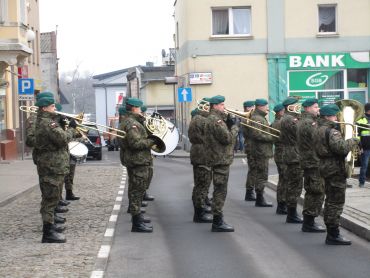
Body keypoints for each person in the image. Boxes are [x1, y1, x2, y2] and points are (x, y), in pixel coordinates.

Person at [315, 104, 359, 245]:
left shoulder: (317, 129)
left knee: (330, 201)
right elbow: (341, 148)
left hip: (325, 167)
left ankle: (332, 232)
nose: (336, 118)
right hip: (335, 169)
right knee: (336, 202)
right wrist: (353, 140)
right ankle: (333, 235)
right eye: (334, 116)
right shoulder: (332, 131)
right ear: (328, 116)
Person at [34, 92, 71, 243]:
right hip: (51, 165)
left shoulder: (48, 122)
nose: (55, 108)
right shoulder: (47, 123)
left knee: (52, 198)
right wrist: (71, 129)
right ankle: (48, 233)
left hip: (52, 165)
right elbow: (62, 139)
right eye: (52, 106)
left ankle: (50, 227)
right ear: (44, 108)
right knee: (50, 199)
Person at [120, 97, 156, 233]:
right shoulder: (131, 124)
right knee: (136, 191)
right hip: (137, 160)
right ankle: (136, 223)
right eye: (140, 108)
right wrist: (152, 140)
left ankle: (138, 218)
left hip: (138, 160)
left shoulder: (133, 121)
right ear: (134, 108)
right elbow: (135, 144)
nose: (141, 110)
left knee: (138, 190)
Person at [204, 95, 238, 232]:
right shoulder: (216, 120)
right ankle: (218, 221)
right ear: (215, 106)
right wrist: (234, 127)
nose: (224, 107)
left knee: (219, 189)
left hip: (218, 158)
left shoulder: (214, 119)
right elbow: (227, 138)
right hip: (220, 159)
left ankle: (218, 219)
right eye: (222, 105)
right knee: (220, 190)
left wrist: (227, 122)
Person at [297, 98, 326, 233]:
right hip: (313, 161)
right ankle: (309, 222)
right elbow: (320, 139)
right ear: (307, 108)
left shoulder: (305, 121)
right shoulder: (309, 123)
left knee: (312, 191)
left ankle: (308, 221)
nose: (318, 109)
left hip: (309, 161)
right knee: (317, 192)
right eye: (315, 107)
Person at [280, 97, 303, 224]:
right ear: (290, 107)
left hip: (291, 154)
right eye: (296, 105)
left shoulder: (287, 118)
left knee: (292, 185)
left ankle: (291, 212)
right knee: (295, 186)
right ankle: (292, 213)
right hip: (294, 155)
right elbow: (300, 133)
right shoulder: (291, 119)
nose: (298, 107)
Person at [189, 102, 213, 223]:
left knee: (200, 185)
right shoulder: (201, 120)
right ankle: (199, 213)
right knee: (202, 185)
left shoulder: (196, 119)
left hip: (199, 154)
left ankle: (199, 210)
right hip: (202, 155)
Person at [249, 98, 275, 207]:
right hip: (261, 151)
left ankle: (260, 197)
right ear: (260, 106)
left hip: (262, 150)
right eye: (266, 106)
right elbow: (257, 135)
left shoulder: (260, 117)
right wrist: (271, 137)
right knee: (262, 175)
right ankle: (260, 199)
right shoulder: (257, 118)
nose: (267, 108)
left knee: (262, 174)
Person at [271, 103, 287, 214]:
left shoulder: (276, 122)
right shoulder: (279, 123)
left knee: (283, 180)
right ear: (280, 112)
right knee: (284, 180)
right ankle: (282, 204)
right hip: (282, 154)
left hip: (280, 153)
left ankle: (281, 205)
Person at [241, 100, 257, 201]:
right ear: (247, 108)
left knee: (254, 170)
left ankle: (251, 191)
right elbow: (251, 133)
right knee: (253, 170)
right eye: (252, 107)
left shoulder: (249, 118)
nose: (253, 109)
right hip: (251, 146)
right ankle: (249, 191)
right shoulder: (246, 118)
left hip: (252, 146)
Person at [356, 102, 370, 188]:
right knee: (364, 166)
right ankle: (361, 182)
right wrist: (359, 146)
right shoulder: (360, 119)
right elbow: (357, 135)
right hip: (365, 147)